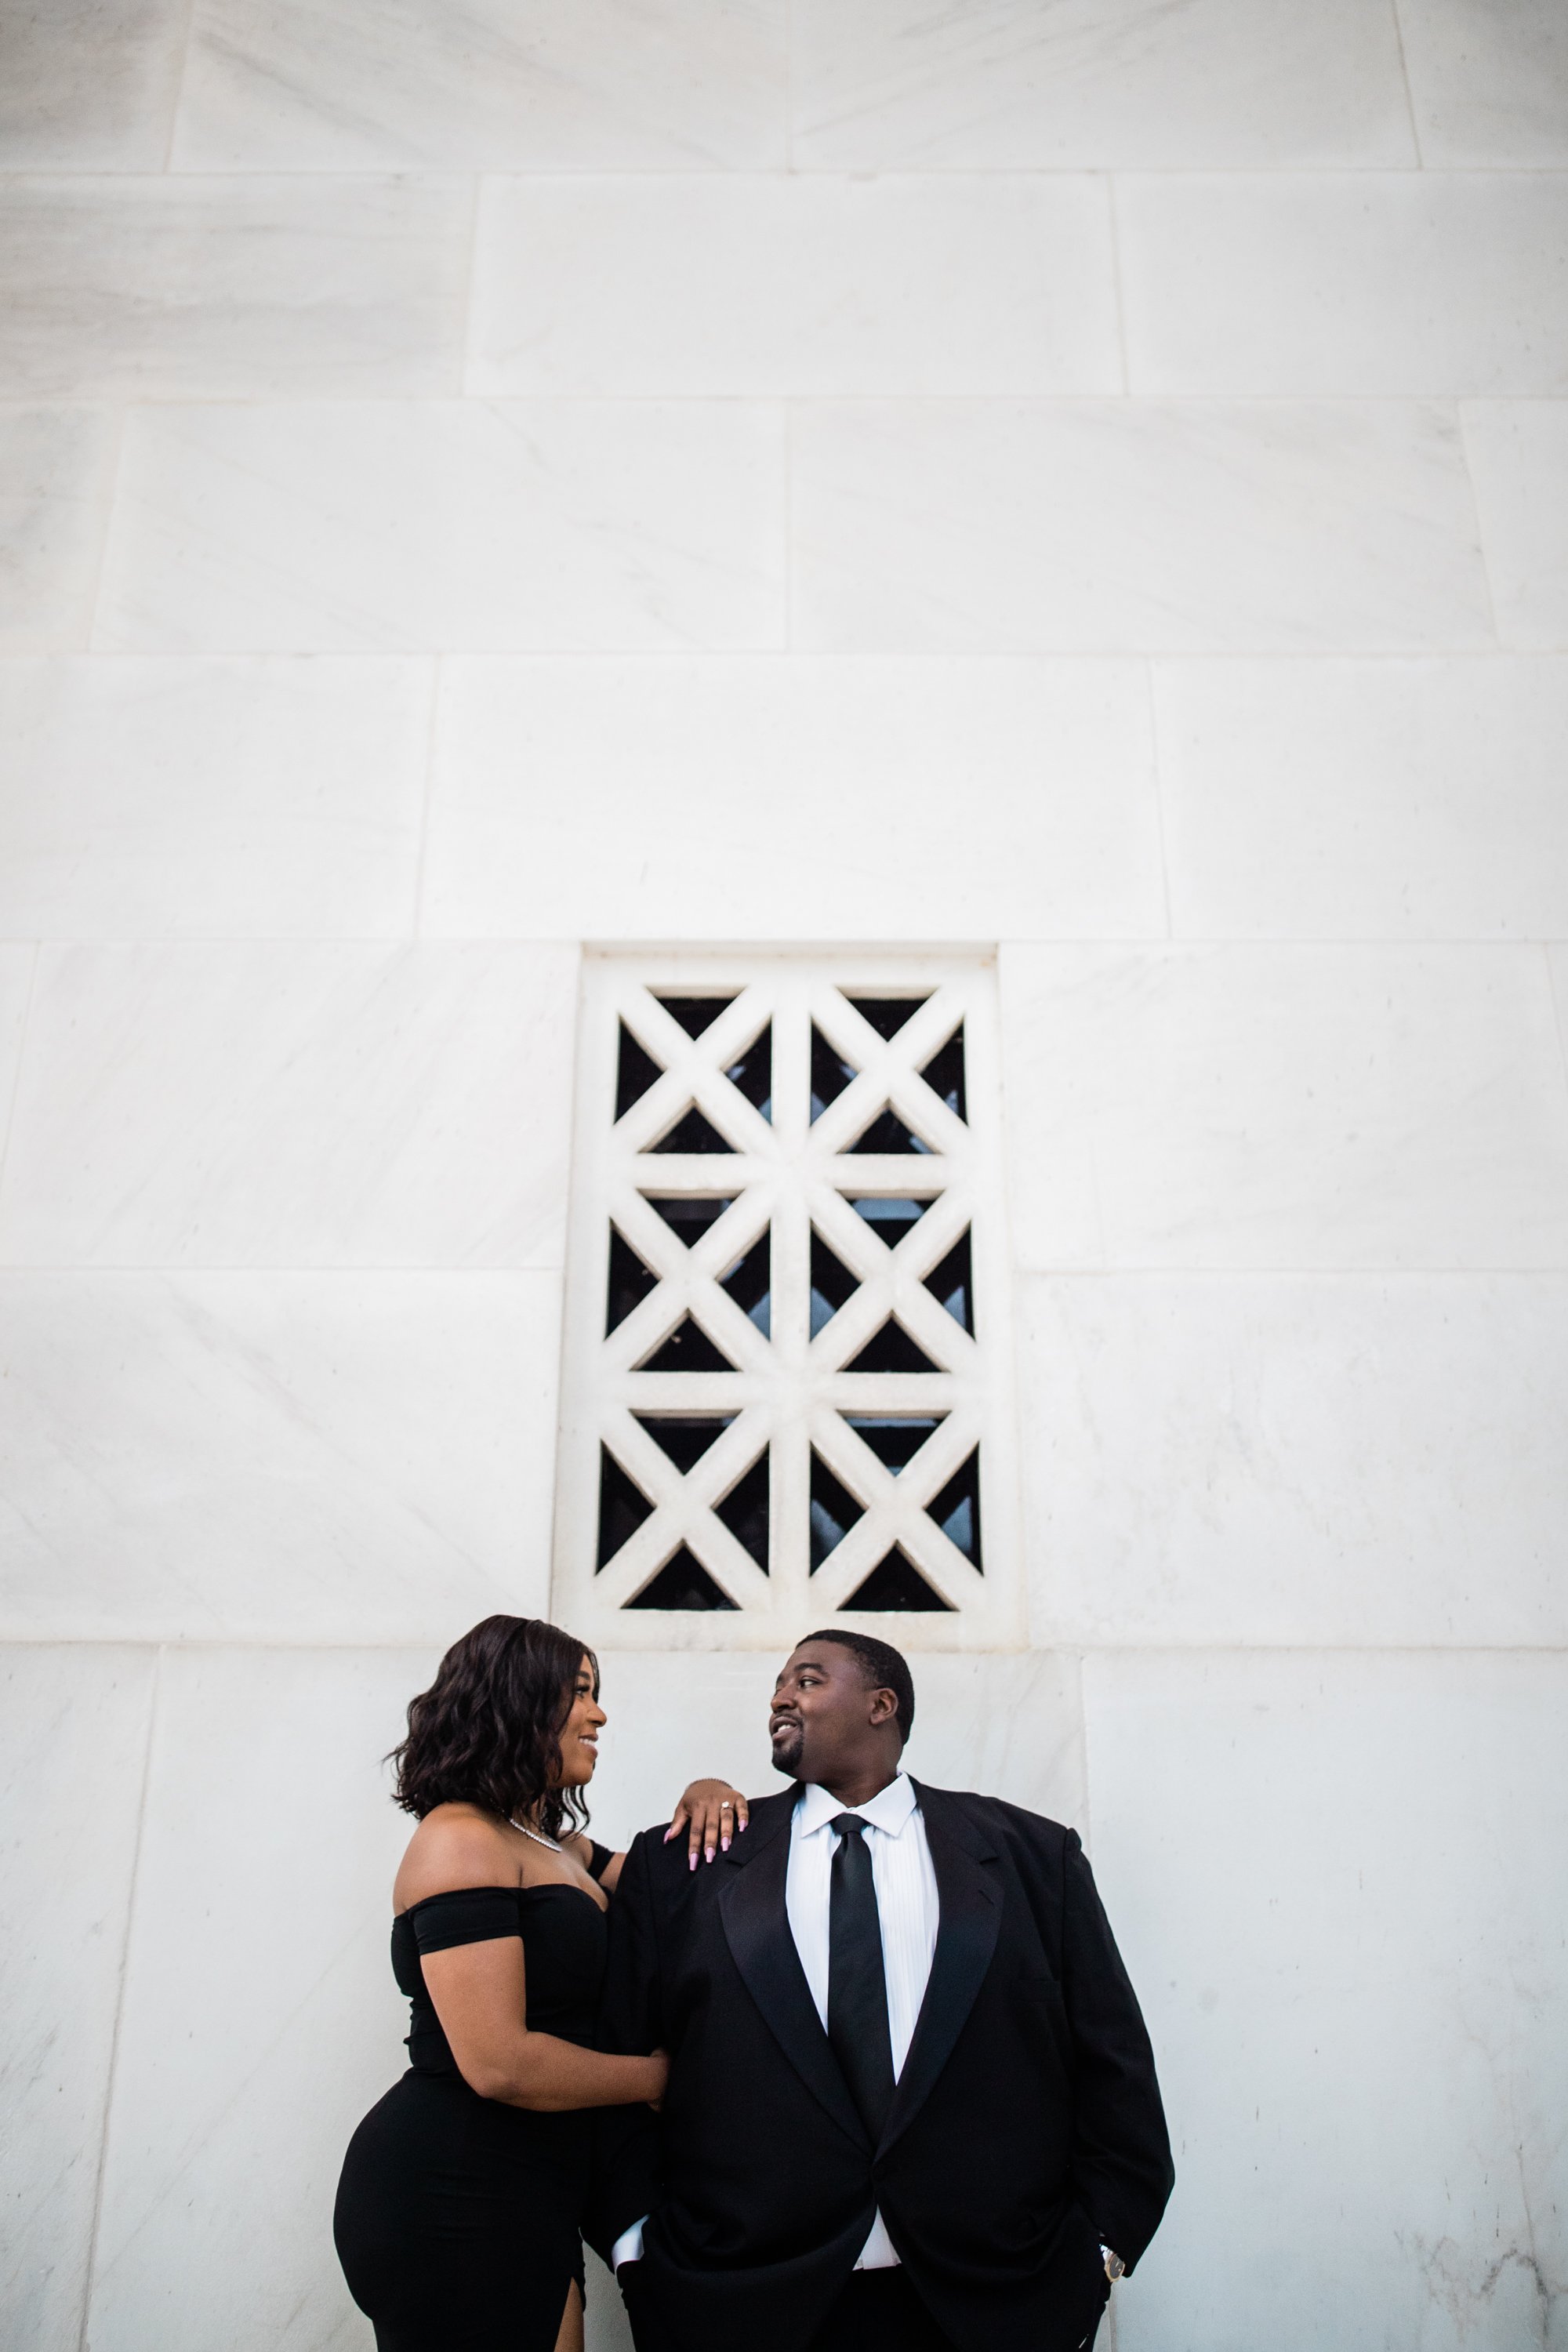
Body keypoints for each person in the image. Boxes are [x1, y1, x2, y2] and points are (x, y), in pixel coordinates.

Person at [600, 1629, 1174, 2352]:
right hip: (740, 2301)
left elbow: (1114, 2063)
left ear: (882, 1705)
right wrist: (638, 2255)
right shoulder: (686, 1864)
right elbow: (611, 2059)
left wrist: (1097, 2255)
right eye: (778, 1684)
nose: (780, 1697)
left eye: (807, 1681)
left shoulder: (1032, 1856)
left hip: (995, 2302)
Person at [332, 1613, 748, 2352]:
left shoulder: (555, 1845)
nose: (599, 1713)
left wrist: (707, 1791)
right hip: (451, 2180)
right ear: (518, 1701)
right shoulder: (458, 1840)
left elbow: (673, 1896)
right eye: (580, 1693)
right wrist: (659, 2077)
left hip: (537, 2182)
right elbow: (500, 2064)